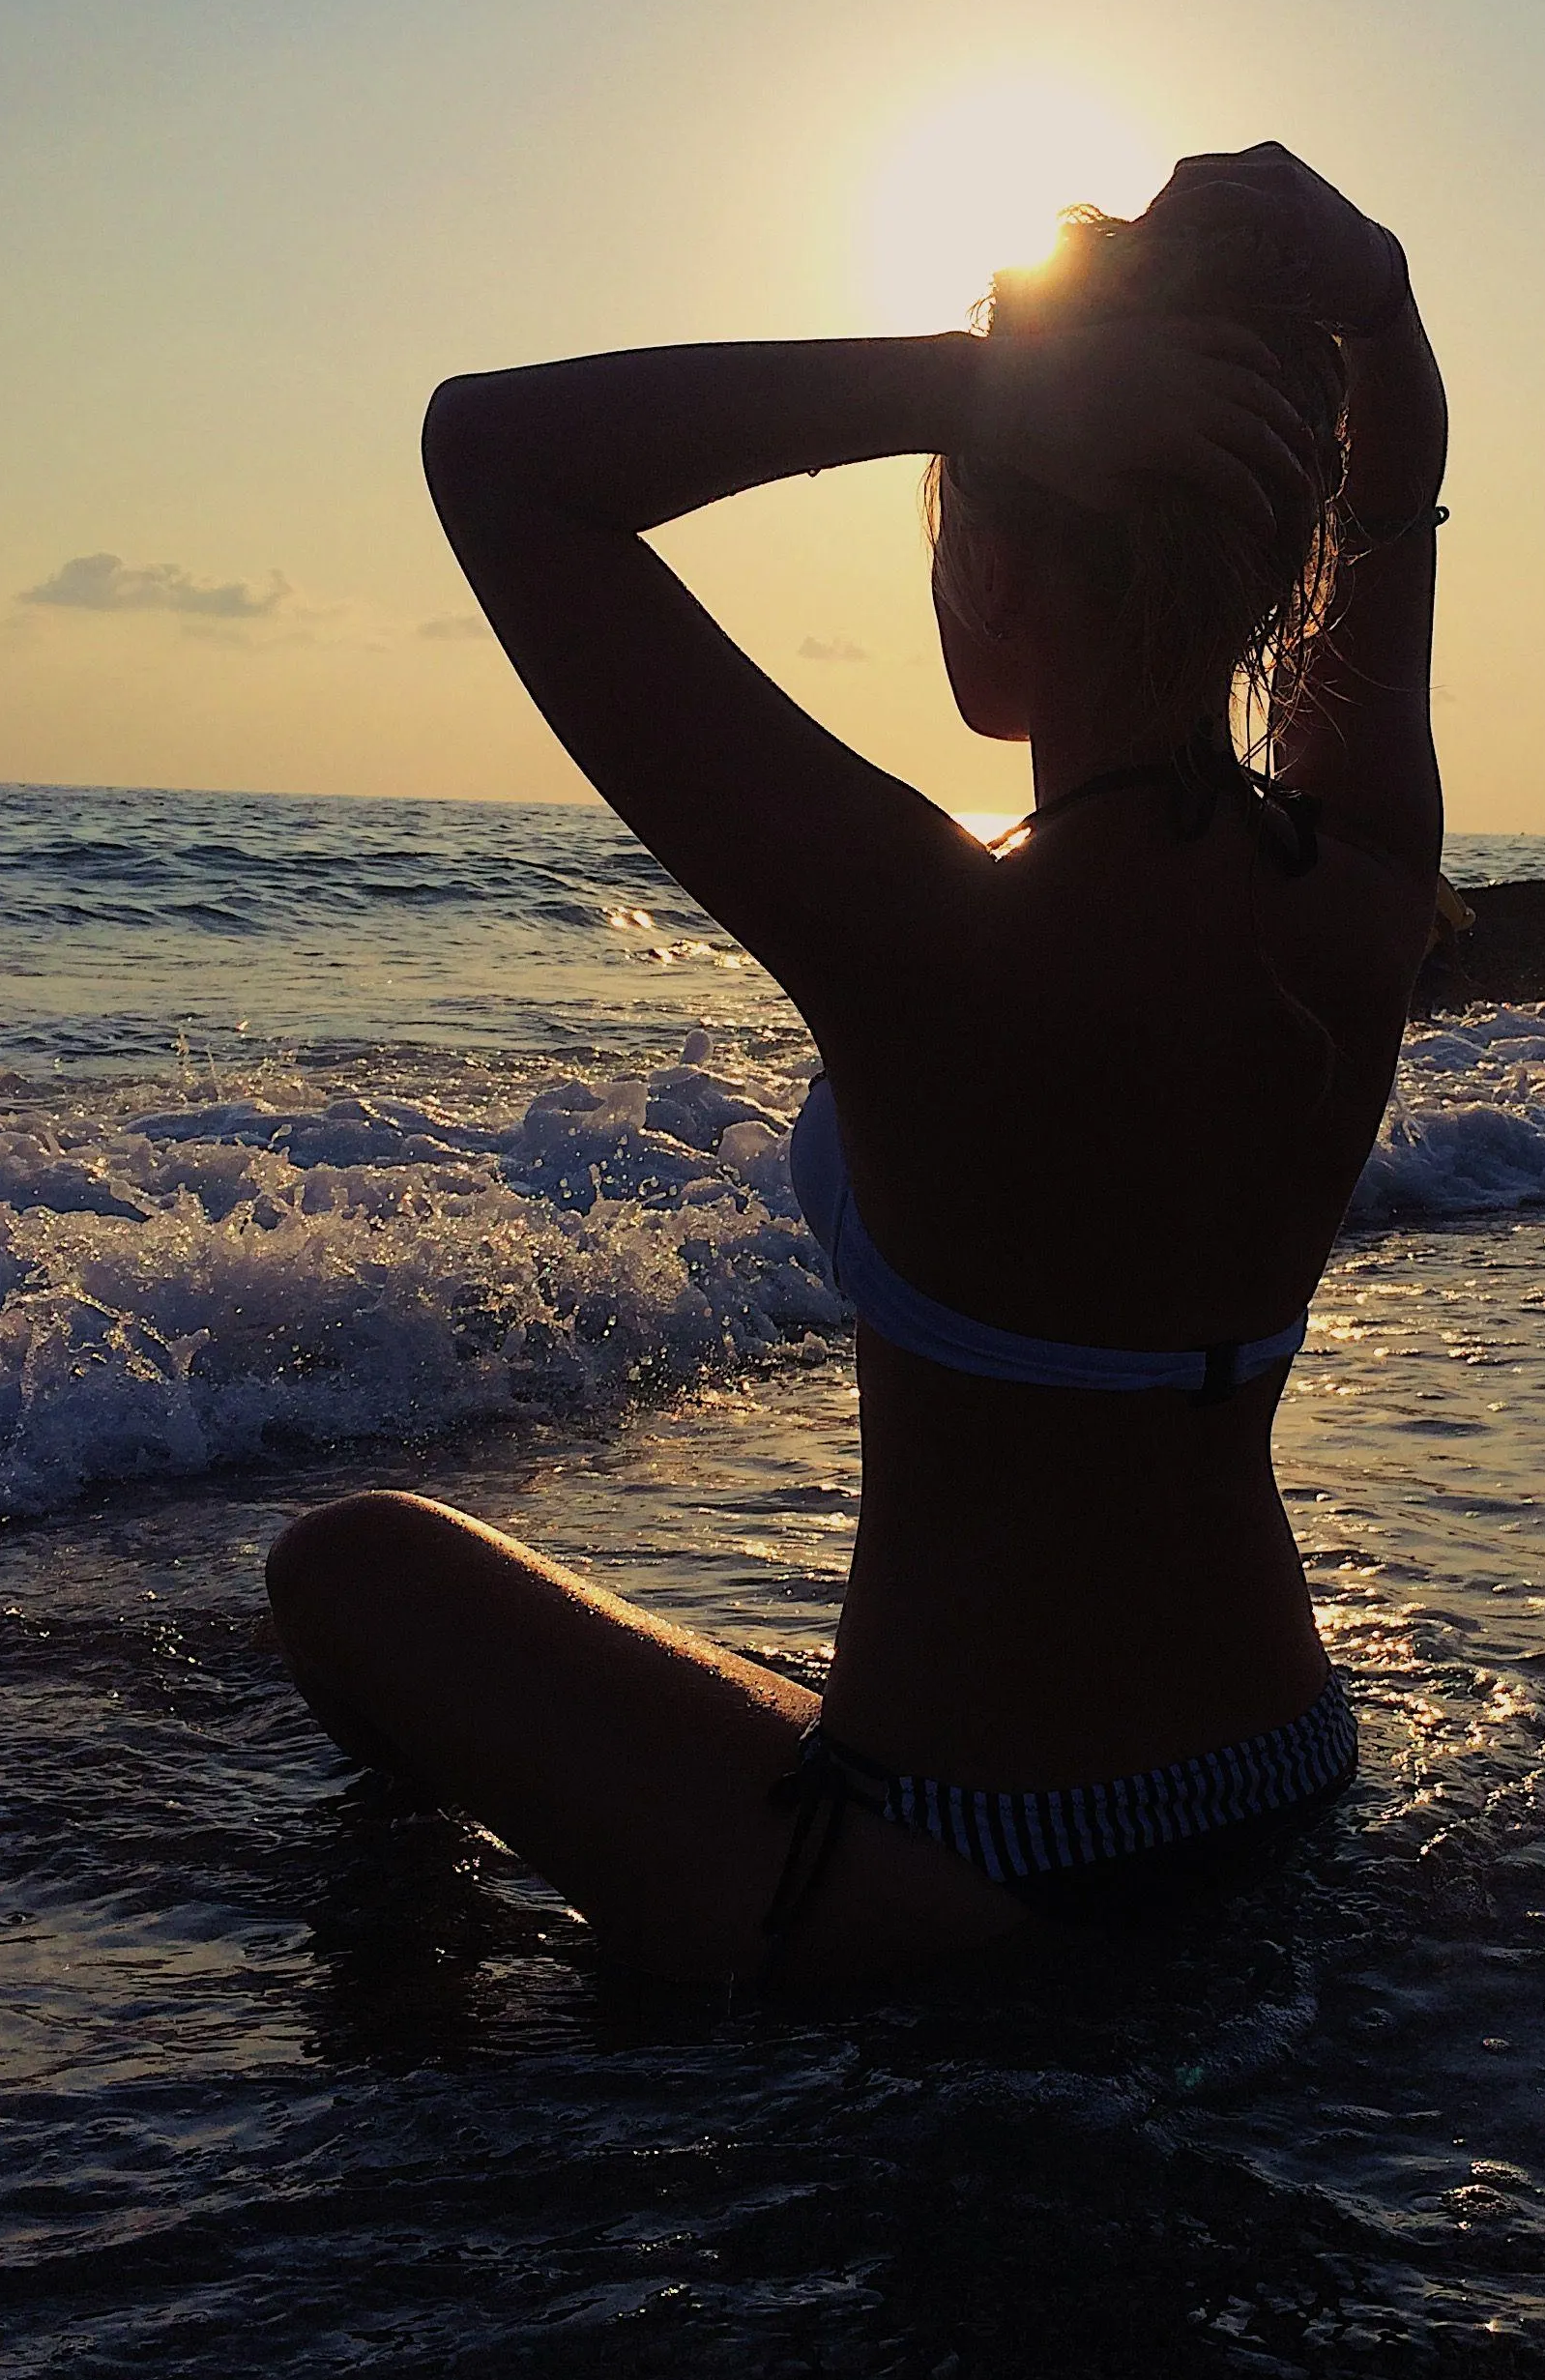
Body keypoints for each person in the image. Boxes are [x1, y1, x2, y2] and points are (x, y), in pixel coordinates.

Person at [266, 140, 1446, 1991]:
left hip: (971, 1863)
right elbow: (1400, 492)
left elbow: (488, 451)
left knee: (348, 1570)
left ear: (990, 548)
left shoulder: (937, 932)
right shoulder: (1363, 883)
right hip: (1284, 1777)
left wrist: (966, 382)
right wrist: (1373, 296)